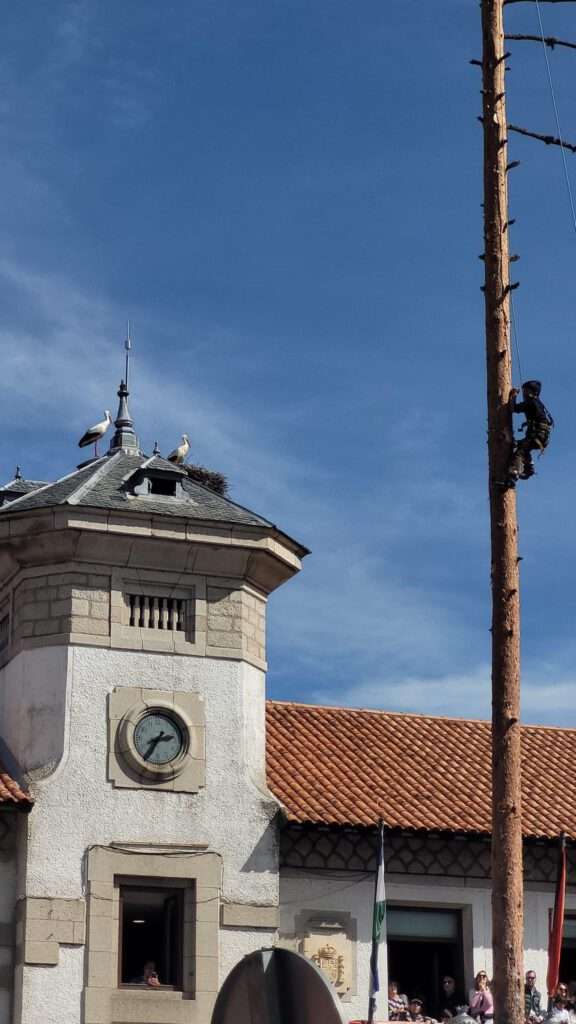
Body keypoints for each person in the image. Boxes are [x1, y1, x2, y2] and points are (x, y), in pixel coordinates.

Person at [505, 380, 554, 488]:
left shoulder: (531, 402)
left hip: (537, 435)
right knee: (522, 446)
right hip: (541, 436)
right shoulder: (538, 403)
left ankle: (513, 475)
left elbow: (514, 409)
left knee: (520, 451)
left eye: (525, 391)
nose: (524, 394)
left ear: (532, 392)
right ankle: (529, 468)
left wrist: (513, 396)